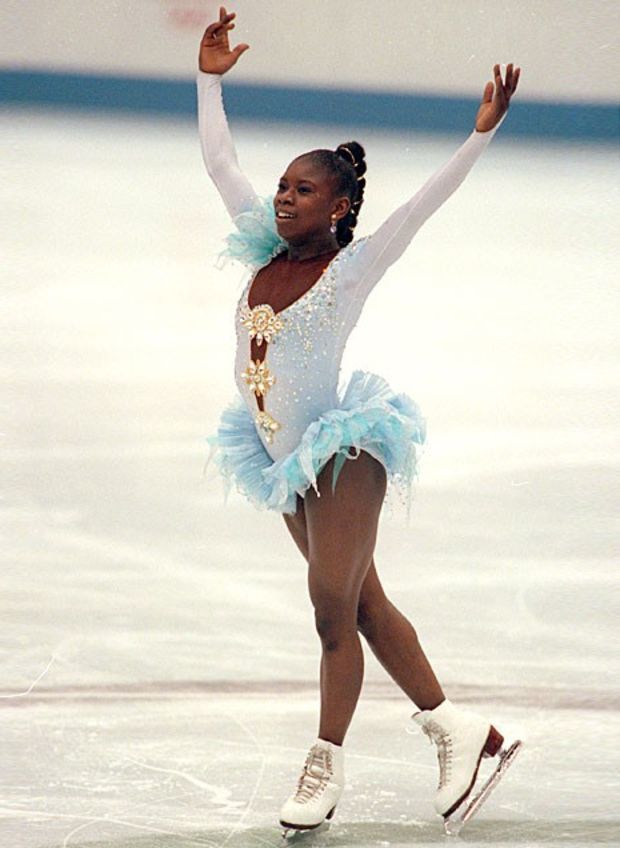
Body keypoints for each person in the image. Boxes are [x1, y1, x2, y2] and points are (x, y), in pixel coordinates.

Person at [197, 6, 521, 836]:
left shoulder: (352, 269)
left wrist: (478, 136)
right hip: (283, 459)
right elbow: (220, 160)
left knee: (329, 611)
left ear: (338, 209)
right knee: (364, 605)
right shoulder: (260, 246)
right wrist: (208, 80)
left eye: (303, 191)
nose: (283, 198)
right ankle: (460, 732)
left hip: (345, 454)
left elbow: (421, 206)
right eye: (283, 187)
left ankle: (323, 762)